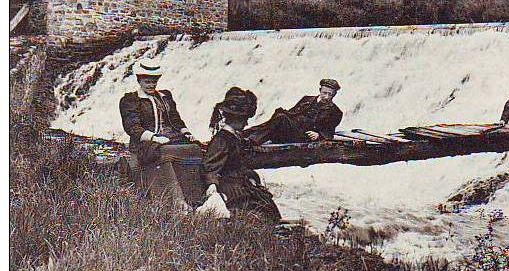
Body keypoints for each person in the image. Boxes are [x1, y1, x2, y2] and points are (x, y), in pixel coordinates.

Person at [119, 59, 201, 208]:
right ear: (139, 80)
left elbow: (175, 119)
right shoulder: (131, 100)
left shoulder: (165, 97)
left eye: (153, 82)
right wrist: (153, 137)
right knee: (162, 153)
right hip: (146, 142)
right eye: (147, 82)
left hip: (172, 138)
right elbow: (132, 127)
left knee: (195, 148)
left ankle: (194, 196)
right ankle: (174, 200)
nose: (151, 85)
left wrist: (186, 132)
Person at [201, 89, 282, 221]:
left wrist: (251, 177)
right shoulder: (222, 139)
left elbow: (240, 164)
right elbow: (210, 165)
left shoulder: (234, 137)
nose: (246, 123)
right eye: (244, 120)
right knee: (255, 212)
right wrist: (212, 186)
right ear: (235, 119)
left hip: (241, 183)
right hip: (230, 187)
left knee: (267, 205)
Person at [245, 79, 343, 145]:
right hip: (290, 130)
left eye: (330, 94)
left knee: (280, 118)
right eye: (324, 93)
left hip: (303, 136)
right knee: (279, 116)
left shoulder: (335, 112)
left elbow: (330, 132)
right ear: (319, 90)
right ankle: (245, 135)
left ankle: (252, 141)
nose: (326, 97)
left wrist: (319, 135)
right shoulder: (306, 99)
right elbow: (292, 112)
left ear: (334, 95)